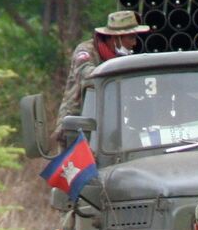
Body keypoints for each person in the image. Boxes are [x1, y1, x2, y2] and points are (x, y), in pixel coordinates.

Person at [53, 10, 149, 142]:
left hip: (107, 128)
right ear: (116, 38)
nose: (134, 43)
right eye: (131, 37)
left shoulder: (121, 58)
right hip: (76, 127)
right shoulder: (85, 51)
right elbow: (88, 77)